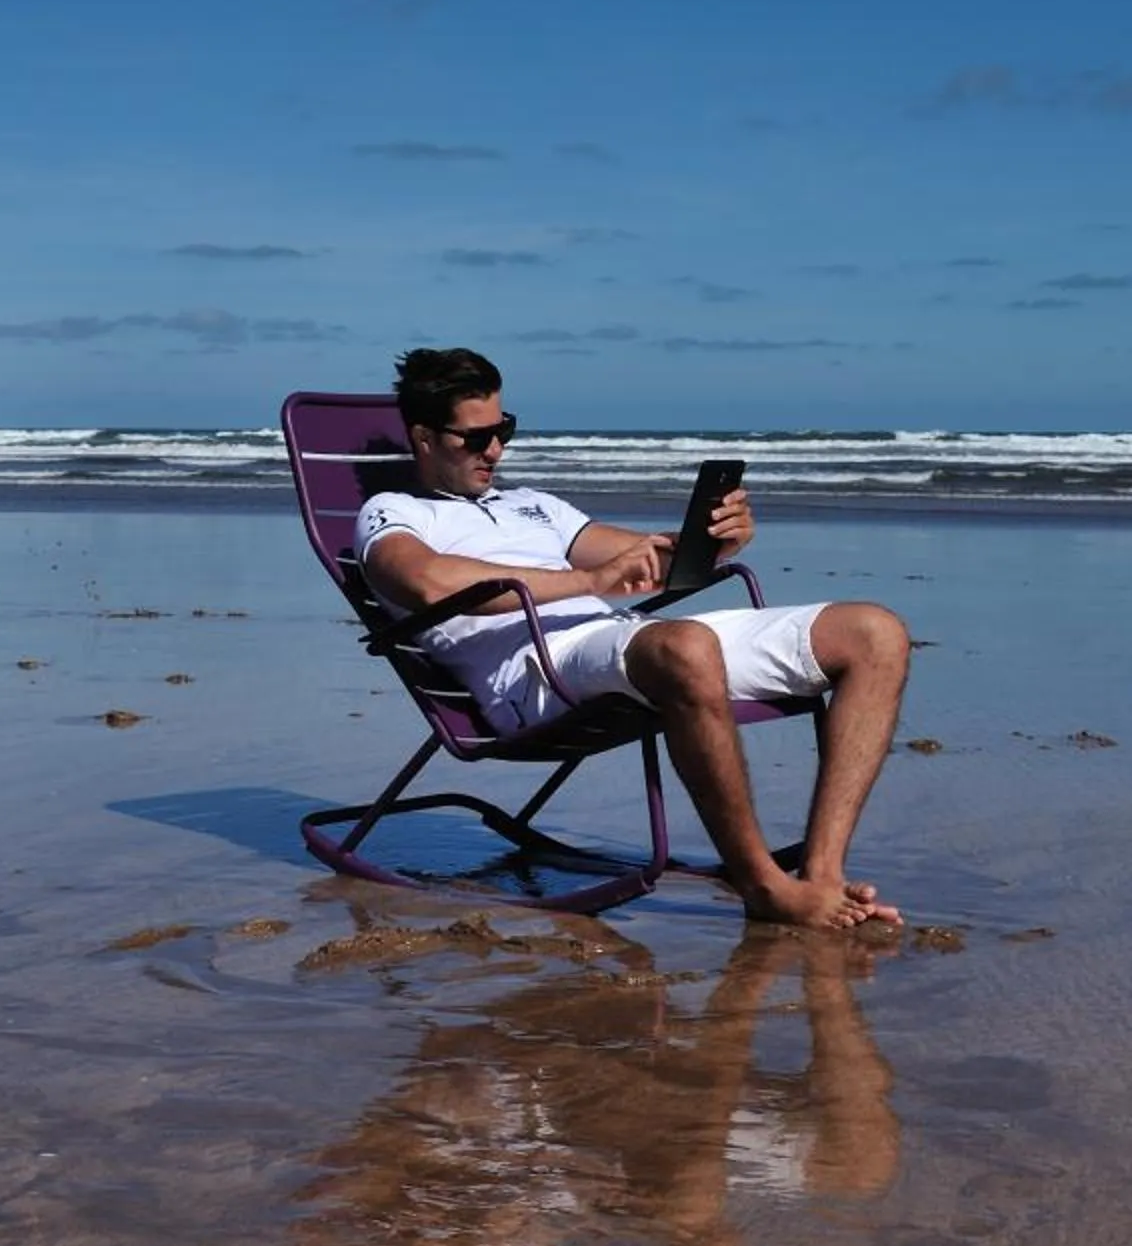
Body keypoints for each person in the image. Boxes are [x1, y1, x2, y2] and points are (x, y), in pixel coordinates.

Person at [356, 347, 912, 929]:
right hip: (533, 674)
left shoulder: (534, 506)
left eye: (503, 431)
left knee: (873, 633)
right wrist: (588, 581)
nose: (494, 450)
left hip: (623, 643)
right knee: (683, 647)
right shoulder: (392, 512)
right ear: (422, 437)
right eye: (474, 439)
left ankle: (822, 872)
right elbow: (425, 581)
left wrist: (717, 541)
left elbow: (646, 562)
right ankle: (762, 885)